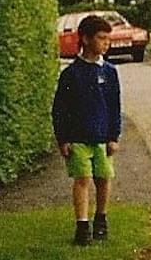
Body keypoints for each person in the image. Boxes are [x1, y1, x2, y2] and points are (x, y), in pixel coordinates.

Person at [52, 14, 122, 245]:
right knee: (82, 179)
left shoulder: (109, 72)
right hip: (79, 137)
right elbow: (60, 108)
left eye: (107, 38)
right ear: (85, 39)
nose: (106, 43)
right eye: (101, 38)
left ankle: (101, 218)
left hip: (102, 137)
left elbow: (114, 106)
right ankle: (82, 226)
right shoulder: (71, 74)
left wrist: (114, 135)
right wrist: (63, 138)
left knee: (103, 178)